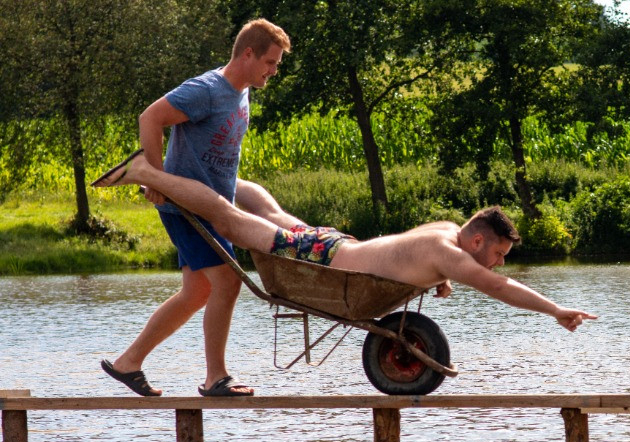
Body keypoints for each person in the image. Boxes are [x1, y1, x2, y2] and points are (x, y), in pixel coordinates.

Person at [92, 152, 598, 335]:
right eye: (498, 253)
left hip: (335, 247)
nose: (497, 263)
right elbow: (500, 288)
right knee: (229, 219)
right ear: (480, 239)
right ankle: (149, 172)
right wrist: (555, 310)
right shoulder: (449, 253)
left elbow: (413, 256)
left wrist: (439, 279)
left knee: (268, 212)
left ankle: (193, 173)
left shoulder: (447, 231)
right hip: (328, 261)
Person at [95, 19, 291, 398]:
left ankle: (128, 363)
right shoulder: (206, 90)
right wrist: (155, 179)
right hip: (188, 209)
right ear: (248, 54)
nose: (273, 70)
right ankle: (216, 377)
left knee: (198, 292)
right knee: (228, 282)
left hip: (213, 208)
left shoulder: (241, 91)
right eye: (270, 62)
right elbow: (150, 118)